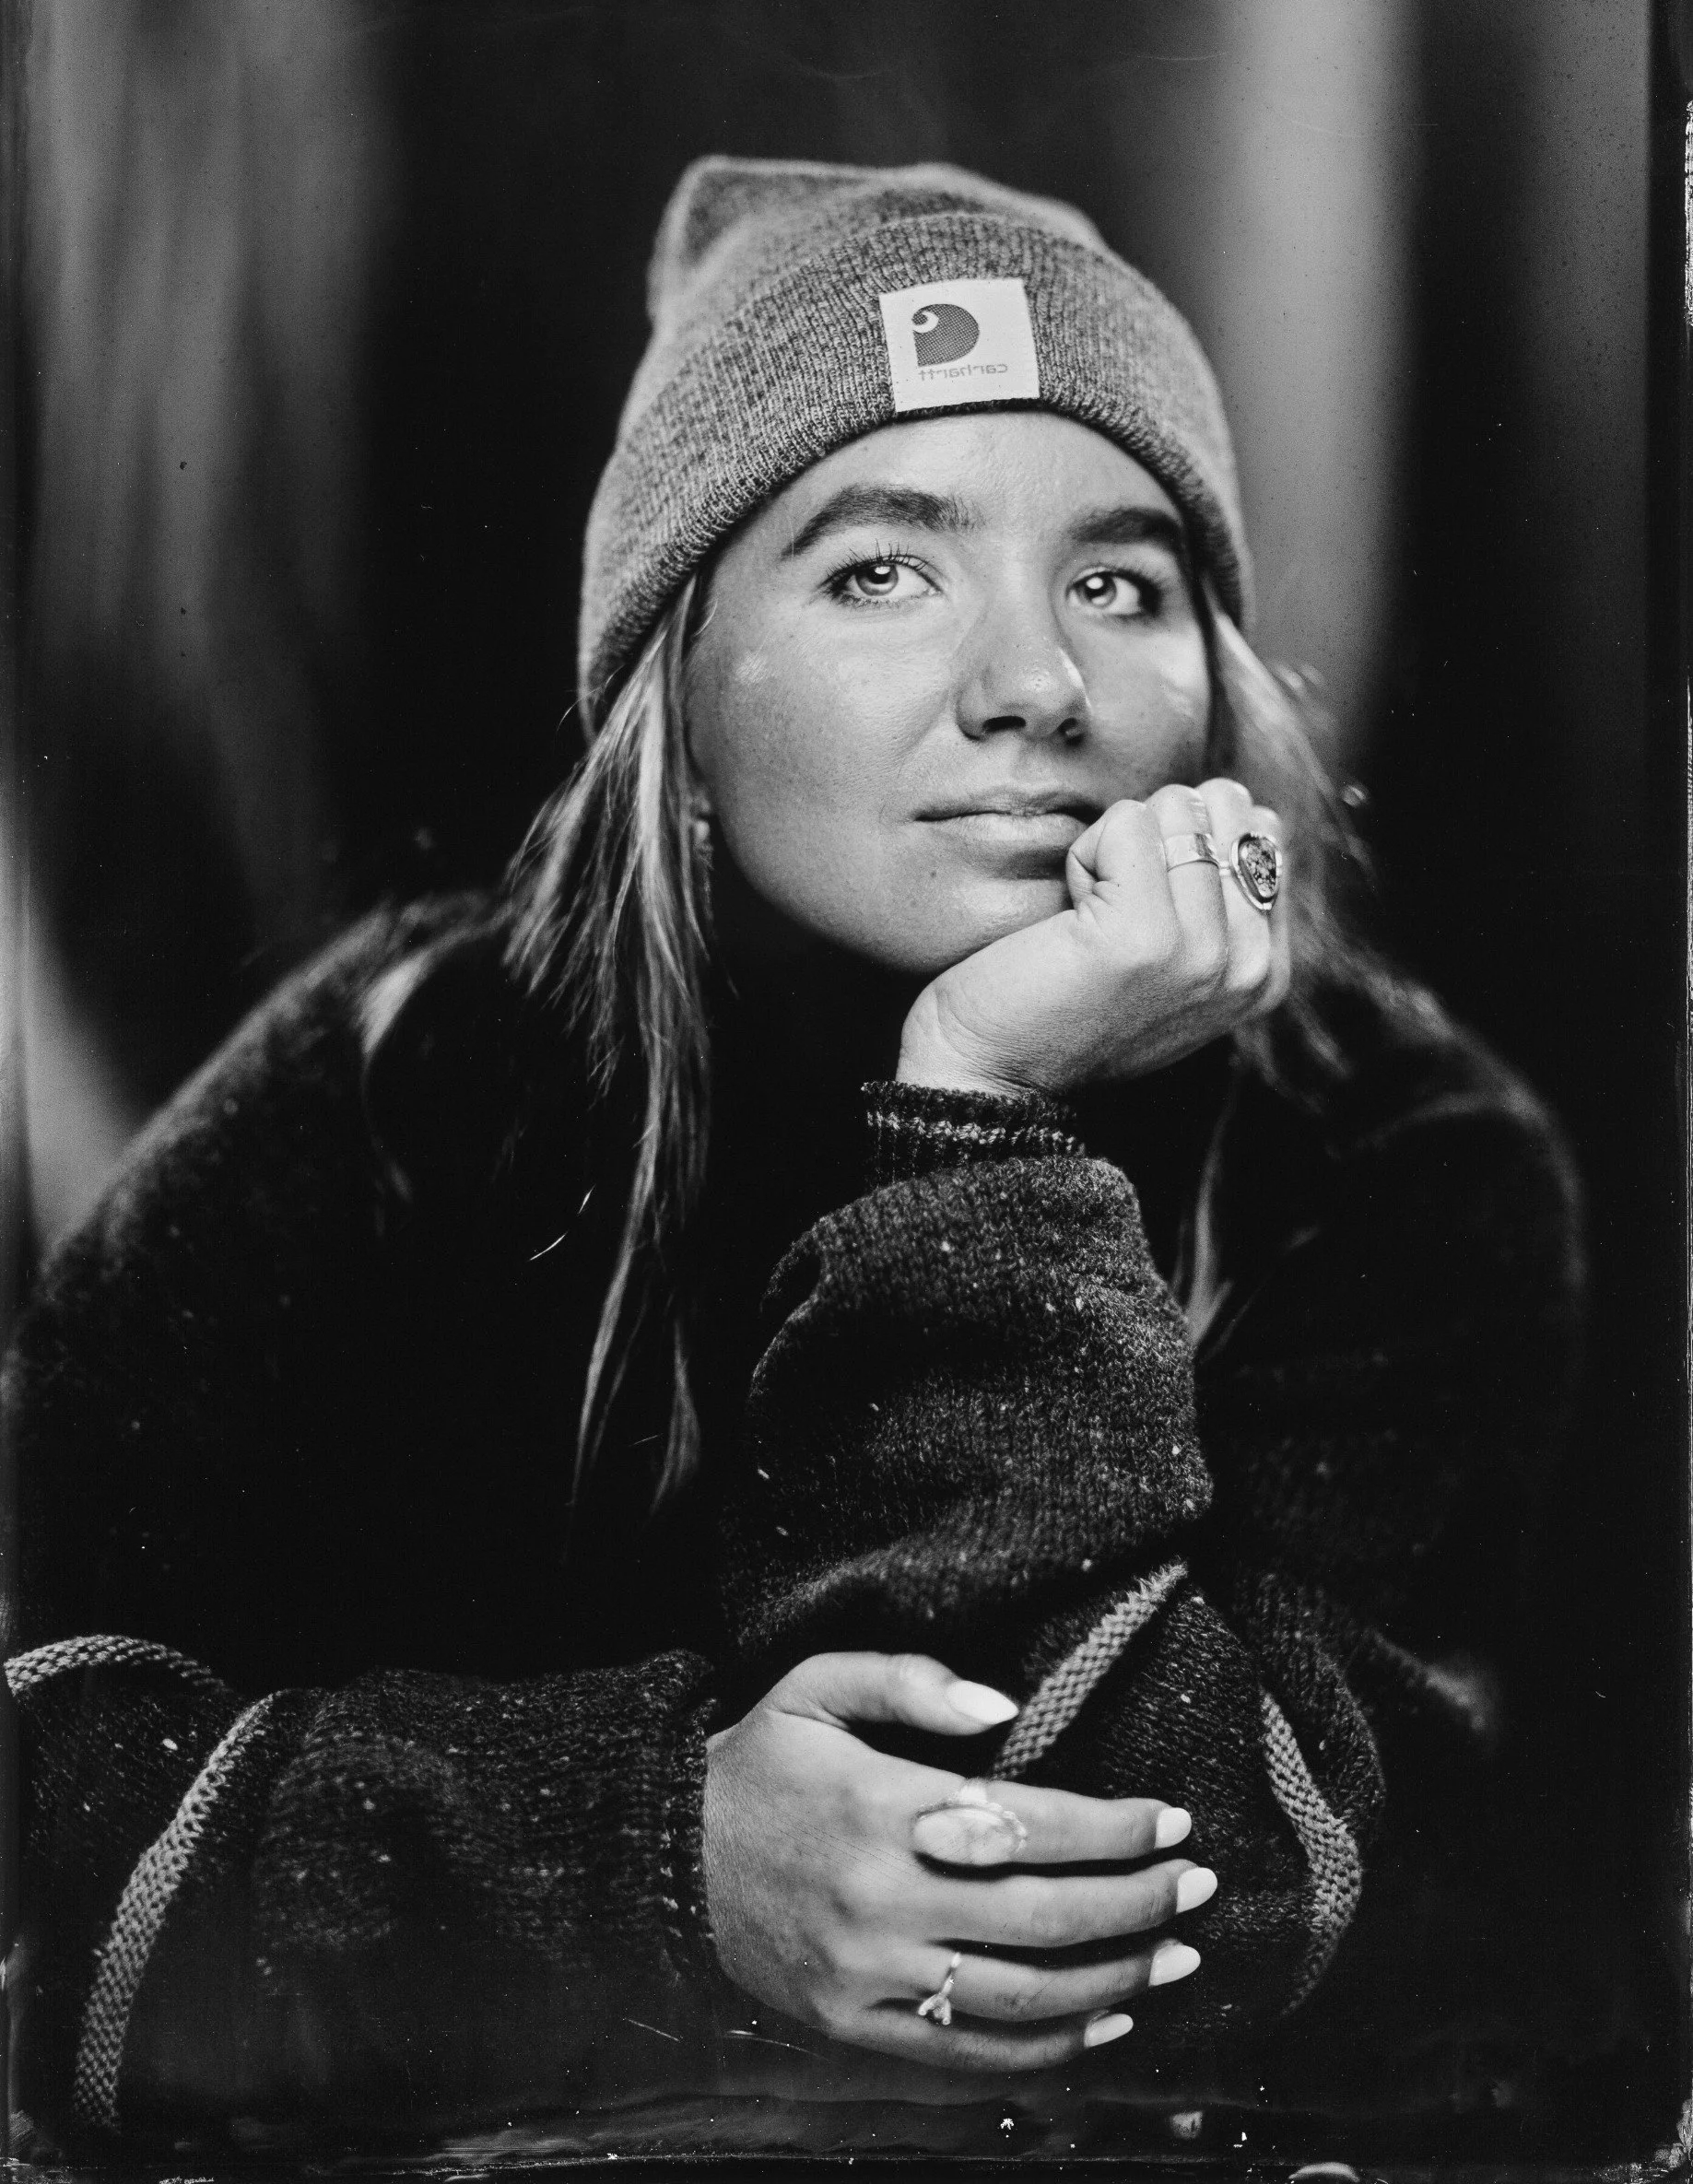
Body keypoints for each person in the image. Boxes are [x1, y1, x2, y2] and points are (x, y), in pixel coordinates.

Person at [2, 158, 1583, 2157]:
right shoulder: (404, 1077)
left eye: (1119, 579)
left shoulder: (1393, 1156)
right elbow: (45, 1773)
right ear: (675, 666)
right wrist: (647, 1856)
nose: (1040, 687)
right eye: (882, 569)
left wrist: (982, 1118)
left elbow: (1125, 1916)